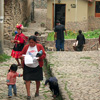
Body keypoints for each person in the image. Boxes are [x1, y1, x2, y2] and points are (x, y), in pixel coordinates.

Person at [20, 36, 46, 100]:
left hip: (37, 65)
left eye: (32, 42)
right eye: (30, 42)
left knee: (37, 79)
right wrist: (22, 57)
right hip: (28, 66)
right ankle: (28, 94)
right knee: (27, 79)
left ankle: (37, 91)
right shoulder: (26, 47)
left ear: (35, 42)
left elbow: (44, 55)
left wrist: (39, 58)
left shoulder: (39, 47)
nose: (31, 44)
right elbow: (21, 54)